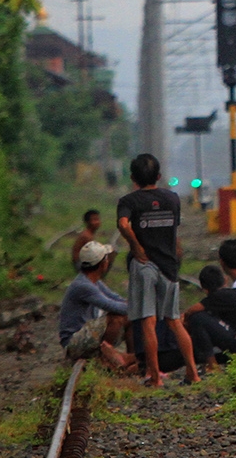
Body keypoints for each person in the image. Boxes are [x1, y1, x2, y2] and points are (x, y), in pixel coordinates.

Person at [118, 153, 199, 386]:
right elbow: (175, 236)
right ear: (159, 176)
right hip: (168, 266)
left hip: (144, 267)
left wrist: (136, 245)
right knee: (174, 320)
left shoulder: (129, 201)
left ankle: (154, 377)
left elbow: (123, 224)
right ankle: (193, 373)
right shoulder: (173, 199)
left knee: (148, 322)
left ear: (133, 178)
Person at [58, 241, 136, 373]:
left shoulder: (94, 282)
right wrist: (140, 308)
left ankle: (133, 360)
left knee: (129, 317)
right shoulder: (83, 286)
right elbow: (111, 305)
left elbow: (115, 298)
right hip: (74, 342)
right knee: (116, 317)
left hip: (85, 336)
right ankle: (106, 359)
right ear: (102, 264)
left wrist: (132, 305)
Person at [183, 264, 236, 367]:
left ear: (204, 289)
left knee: (198, 318)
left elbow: (191, 311)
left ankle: (212, 367)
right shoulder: (230, 294)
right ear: (225, 280)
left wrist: (182, 322)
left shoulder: (219, 296)